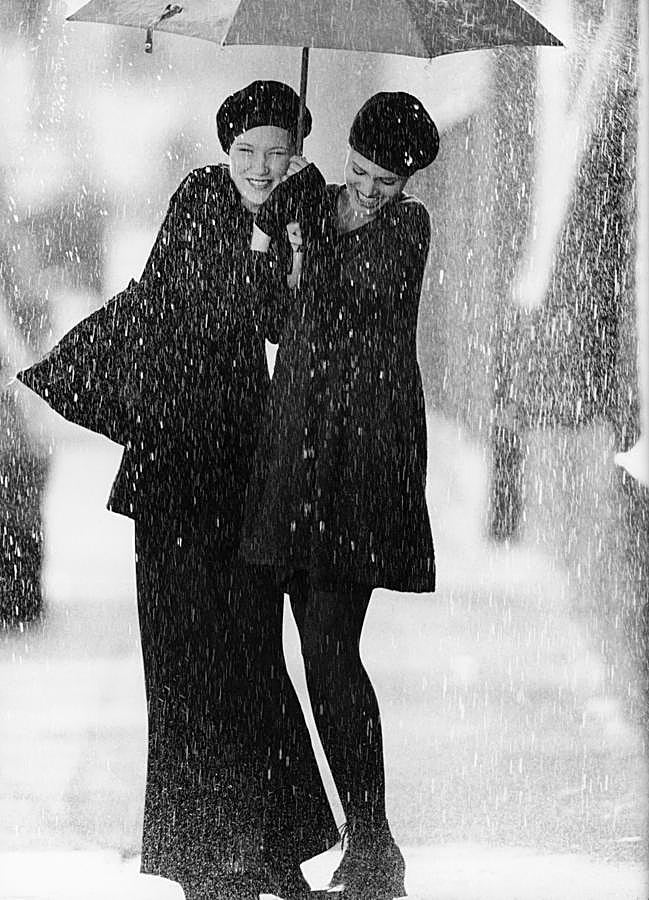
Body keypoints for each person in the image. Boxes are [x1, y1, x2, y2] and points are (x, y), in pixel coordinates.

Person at [15, 80, 337, 900]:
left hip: (249, 458)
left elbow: (284, 326)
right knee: (182, 658)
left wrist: (286, 255)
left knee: (251, 655)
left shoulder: (303, 210)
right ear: (225, 151)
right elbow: (175, 303)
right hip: (174, 458)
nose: (260, 168)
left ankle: (274, 849)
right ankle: (203, 856)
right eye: (246, 153)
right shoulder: (197, 195)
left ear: (298, 153)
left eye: (278, 153)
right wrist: (252, 258)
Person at [242, 91, 440, 900]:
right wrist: (272, 244)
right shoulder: (307, 204)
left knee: (330, 648)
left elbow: (358, 301)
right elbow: (273, 319)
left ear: (406, 182)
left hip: (363, 454)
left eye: (384, 182)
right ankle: (348, 840)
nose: (367, 190)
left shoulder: (408, 228)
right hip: (295, 448)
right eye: (359, 172)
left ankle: (374, 841)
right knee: (303, 651)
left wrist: (304, 245)